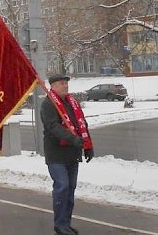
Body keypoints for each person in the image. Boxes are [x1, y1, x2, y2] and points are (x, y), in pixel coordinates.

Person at [41, 74, 94, 235]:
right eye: (62, 83)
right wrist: (72, 138)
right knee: (62, 186)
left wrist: (88, 145)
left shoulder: (72, 103)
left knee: (70, 189)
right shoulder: (48, 103)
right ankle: (59, 224)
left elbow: (82, 124)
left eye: (66, 83)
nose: (65, 86)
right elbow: (53, 127)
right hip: (56, 154)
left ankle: (66, 223)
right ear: (53, 86)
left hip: (72, 153)